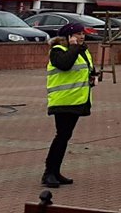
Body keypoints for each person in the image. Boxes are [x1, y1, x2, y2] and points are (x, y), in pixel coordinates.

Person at [43, 21, 98, 188]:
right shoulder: (58, 50)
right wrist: (73, 47)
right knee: (61, 136)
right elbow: (65, 65)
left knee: (65, 136)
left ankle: (55, 171)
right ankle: (49, 173)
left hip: (77, 99)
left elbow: (87, 68)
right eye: (78, 34)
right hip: (63, 100)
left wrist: (93, 76)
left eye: (83, 33)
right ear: (68, 36)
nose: (82, 36)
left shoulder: (83, 51)